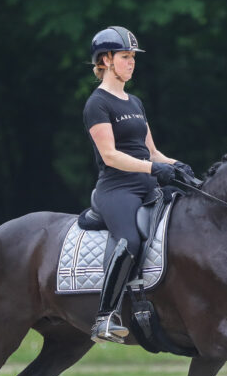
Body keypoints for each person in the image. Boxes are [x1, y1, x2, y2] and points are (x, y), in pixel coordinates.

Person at [83, 26, 194, 343]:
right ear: (106, 60)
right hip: (117, 189)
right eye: (125, 57)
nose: (131, 63)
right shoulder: (97, 104)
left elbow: (153, 151)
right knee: (129, 241)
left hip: (147, 182)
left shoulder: (135, 102)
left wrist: (177, 166)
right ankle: (105, 317)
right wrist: (153, 167)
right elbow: (111, 155)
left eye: (133, 57)